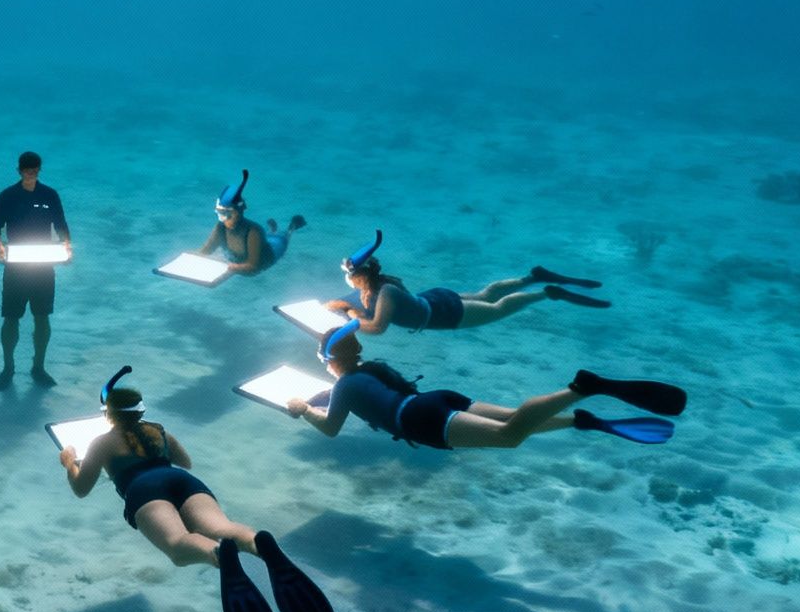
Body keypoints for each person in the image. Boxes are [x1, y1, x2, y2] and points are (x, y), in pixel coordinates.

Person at [60, 366, 333, 612]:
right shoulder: (158, 431)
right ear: (140, 411)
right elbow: (185, 462)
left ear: (109, 415)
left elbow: (81, 489)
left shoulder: (102, 442)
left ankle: (217, 554)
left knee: (178, 546)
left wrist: (70, 462)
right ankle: (259, 544)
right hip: (183, 481)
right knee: (221, 528)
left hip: (143, 490)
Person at [285, 322, 684, 449]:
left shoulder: (346, 387)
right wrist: (320, 396)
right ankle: (579, 419)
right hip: (435, 399)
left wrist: (304, 410)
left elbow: (331, 428)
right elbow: (348, 394)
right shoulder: (368, 370)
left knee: (510, 436)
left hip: (422, 420)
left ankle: (580, 389)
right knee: (515, 418)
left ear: (332, 362)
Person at [325, 230, 610, 333]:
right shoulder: (382, 284)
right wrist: (349, 308)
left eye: (349, 276)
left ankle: (547, 292)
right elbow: (377, 315)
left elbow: (377, 327)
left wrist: (349, 313)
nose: (347, 280)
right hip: (435, 300)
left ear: (361, 276)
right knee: (485, 294)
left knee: (497, 308)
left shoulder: (383, 292)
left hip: (443, 313)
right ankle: (532, 277)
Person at [0, 150, 71, 389]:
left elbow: (62, 224)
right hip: (16, 266)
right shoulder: (7, 196)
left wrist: (66, 246)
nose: (31, 174)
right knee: (11, 317)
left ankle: (39, 367)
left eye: (35, 171)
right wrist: (0, 247)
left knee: (42, 316)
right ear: (19, 171)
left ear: (39, 170)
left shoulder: (50, 195)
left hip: (43, 265)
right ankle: (8, 368)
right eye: (27, 171)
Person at [196, 170, 306, 276]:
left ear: (238, 212)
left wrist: (233, 267)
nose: (223, 219)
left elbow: (254, 266)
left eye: (227, 214)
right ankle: (272, 230)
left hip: (271, 253)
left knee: (282, 238)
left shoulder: (254, 231)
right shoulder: (220, 227)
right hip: (252, 248)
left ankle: (292, 226)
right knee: (268, 236)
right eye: (220, 214)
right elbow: (206, 250)